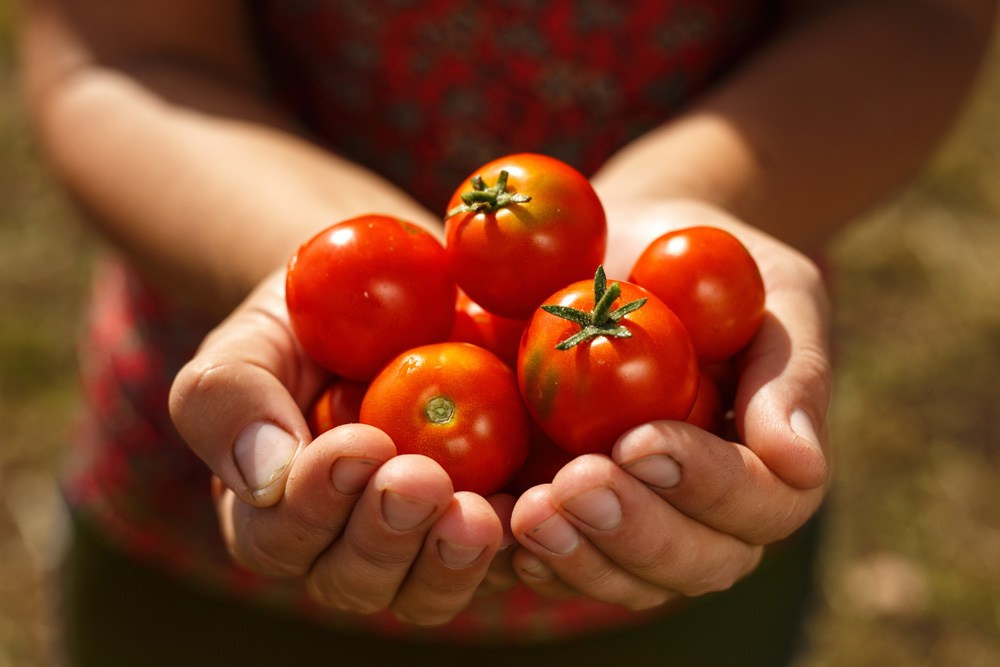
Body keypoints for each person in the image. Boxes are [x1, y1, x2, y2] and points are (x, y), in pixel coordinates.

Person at [19, 0, 996, 664]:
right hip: (224, 484)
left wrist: (693, 199)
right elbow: (123, 52)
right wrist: (310, 255)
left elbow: (917, 13)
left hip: (698, 511)